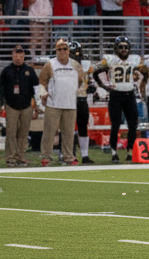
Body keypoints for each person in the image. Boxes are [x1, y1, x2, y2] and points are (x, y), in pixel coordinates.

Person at [93, 35, 148, 163]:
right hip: (116, 94)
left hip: (129, 94)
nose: (123, 50)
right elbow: (95, 72)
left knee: (133, 125)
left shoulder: (134, 59)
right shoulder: (110, 60)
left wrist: (142, 85)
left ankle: (130, 151)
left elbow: (145, 72)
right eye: (121, 47)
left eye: (125, 47)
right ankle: (114, 153)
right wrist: (104, 86)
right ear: (116, 48)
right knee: (115, 125)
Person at [38, 37, 87, 167]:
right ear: (56, 50)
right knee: (49, 131)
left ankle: (68, 156)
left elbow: (80, 80)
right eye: (59, 49)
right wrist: (44, 93)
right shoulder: (50, 64)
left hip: (70, 104)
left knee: (68, 133)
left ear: (68, 50)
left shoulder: (75, 65)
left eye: (64, 48)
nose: (62, 51)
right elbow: (42, 81)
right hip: (53, 104)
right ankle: (46, 156)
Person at [1, 45, 39, 166]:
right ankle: (10, 158)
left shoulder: (30, 71)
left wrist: (36, 106)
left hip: (27, 106)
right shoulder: (6, 71)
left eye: (20, 56)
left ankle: (21, 156)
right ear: (12, 56)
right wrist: (1, 103)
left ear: (24, 57)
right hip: (11, 106)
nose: (18, 58)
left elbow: (36, 89)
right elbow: (1, 89)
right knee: (11, 133)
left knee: (23, 133)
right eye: (16, 56)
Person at [68, 40, 96, 164]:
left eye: (77, 52)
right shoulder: (62, 65)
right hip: (68, 99)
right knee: (67, 128)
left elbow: (90, 81)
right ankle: (67, 154)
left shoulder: (85, 65)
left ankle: (84, 155)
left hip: (82, 98)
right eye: (73, 52)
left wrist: (91, 86)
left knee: (82, 127)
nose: (75, 55)